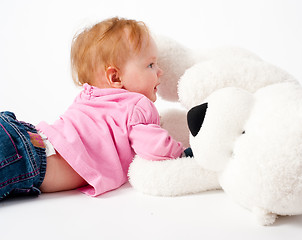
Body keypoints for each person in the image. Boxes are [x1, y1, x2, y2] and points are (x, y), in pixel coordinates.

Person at [0, 17, 191, 201]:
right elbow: (156, 147)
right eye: (150, 64)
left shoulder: (89, 98)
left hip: (21, 137)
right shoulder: (136, 105)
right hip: (25, 153)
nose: (160, 71)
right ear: (115, 78)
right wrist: (184, 154)